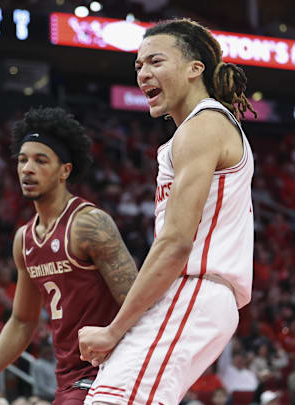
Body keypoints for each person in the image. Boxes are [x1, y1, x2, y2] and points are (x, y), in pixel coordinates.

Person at [79, 17, 256, 405]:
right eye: (138, 66)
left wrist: (114, 329)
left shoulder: (202, 126)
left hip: (195, 289)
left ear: (196, 69)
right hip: (194, 296)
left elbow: (176, 243)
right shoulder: (198, 130)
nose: (143, 74)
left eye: (156, 62)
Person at [0, 107, 137, 405]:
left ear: (64, 170)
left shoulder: (89, 224)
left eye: (41, 160)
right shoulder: (24, 240)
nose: (27, 168)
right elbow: (22, 321)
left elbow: (138, 302)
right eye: (22, 160)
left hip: (107, 375)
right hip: (68, 379)